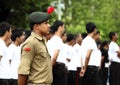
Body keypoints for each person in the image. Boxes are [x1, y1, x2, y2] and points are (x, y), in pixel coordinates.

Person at [18, 12, 53, 85]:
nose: (49, 26)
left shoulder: (41, 41)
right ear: (36, 26)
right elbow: (23, 71)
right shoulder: (31, 43)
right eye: (46, 23)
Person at [47, 20, 66, 85]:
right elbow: (54, 57)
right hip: (58, 68)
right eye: (63, 27)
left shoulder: (52, 39)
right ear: (60, 27)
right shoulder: (57, 39)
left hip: (55, 67)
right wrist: (49, 70)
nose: (64, 29)